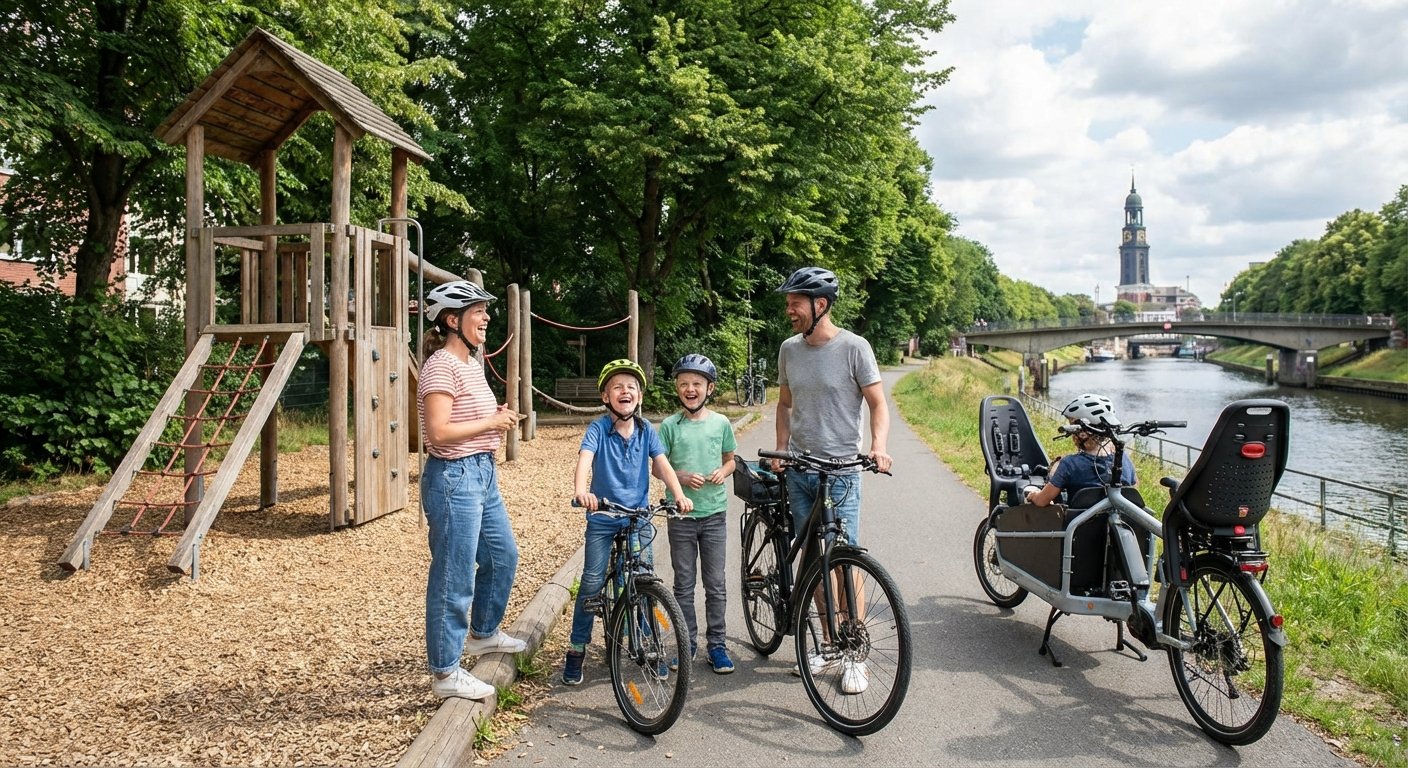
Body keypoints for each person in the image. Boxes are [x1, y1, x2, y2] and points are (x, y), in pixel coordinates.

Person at [773, 266, 891, 695]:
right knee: (815, 563)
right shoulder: (788, 350)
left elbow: (878, 405)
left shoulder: (855, 348)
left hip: (841, 472)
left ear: (819, 305)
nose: (789, 310)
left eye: (795, 303)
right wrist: (782, 450)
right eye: (788, 303)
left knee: (844, 560)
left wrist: (878, 446)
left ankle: (856, 651)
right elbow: (784, 405)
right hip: (801, 472)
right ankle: (828, 644)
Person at [417, 280, 528, 701]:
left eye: (485, 311)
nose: (486, 318)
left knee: (502, 556)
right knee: (454, 575)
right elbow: (439, 432)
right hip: (454, 477)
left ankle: (482, 634)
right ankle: (446, 674)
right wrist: (490, 424)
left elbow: (466, 416)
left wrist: (493, 416)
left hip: (482, 473)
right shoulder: (440, 365)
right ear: (452, 320)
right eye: (478, 311)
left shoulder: (471, 363)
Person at [562, 359, 694, 686]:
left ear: (639, 397)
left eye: (631, 387)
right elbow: (585, 461)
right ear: (606, 397)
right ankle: (577, 648)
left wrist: (678, 494)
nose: (625, 391)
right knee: (592, 581)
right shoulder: (597, 429)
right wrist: (582, 492)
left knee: (644, 578)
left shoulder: (647, 430)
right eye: (618, 387)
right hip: (604, 517)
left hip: (636, 518)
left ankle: (647, 643)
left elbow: (662, 465)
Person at [659, 354, 738, 674]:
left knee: (716, 584)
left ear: (709, 388)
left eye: (696, 384)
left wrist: (724, 471)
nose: (690, 389)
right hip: (680, 516)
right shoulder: (668, 426)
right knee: (683, 584)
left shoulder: (720, 423)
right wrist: (680, 476)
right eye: (683, 384)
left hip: (714, 514)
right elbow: (657, 467)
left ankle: (716, 645)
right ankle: (686, 642)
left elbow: (731, 459)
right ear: (677, 388)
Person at [1025, 393, 1135, 507]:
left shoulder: (1069, 464)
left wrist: (1034, 495)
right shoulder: (1124, 460)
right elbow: (1133, 493)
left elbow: (1041, 501)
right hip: (1122, 520)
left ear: (1082, 434)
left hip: (1080, 523)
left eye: (1072, 429)